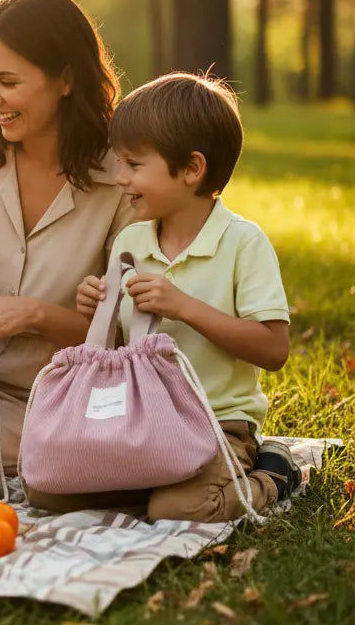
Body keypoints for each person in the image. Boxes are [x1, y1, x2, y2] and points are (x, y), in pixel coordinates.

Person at [61, 72, 302, 521]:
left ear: (192, 169)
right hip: (139, 419)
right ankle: (153, 482)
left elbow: (273, 350)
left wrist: (184, 307)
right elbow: (121, 349)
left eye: (134, 164)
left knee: (180, 507)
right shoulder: (130, 241)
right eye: (119, 162)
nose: (120, 178)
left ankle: (272, 475)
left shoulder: (243, 243)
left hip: (217, 422)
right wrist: (99, 310)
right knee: (52, 491)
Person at [0, 0, 135, 472]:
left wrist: (35, 314)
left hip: (55, 396)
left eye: (7, 81)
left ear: (65, 79)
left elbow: (124, 338)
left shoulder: (124, 177)